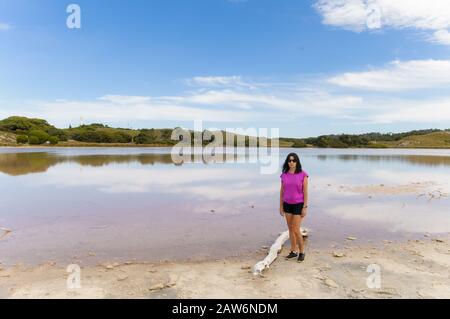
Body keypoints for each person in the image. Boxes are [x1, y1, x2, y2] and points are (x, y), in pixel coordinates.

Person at [279, 152, 309, 262]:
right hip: (287, 204)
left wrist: (305, 207)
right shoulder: (284, 174)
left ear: (297, 162)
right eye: (289, 160)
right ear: (287, 162)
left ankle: (302, 252)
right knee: (290, 229)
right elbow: (282, 191)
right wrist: (281, 206)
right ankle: (293, 251)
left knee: (296, 229)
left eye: (293, 160)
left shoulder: (303, 174)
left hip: (298, 204)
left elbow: (305, 192)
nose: (291, 162)